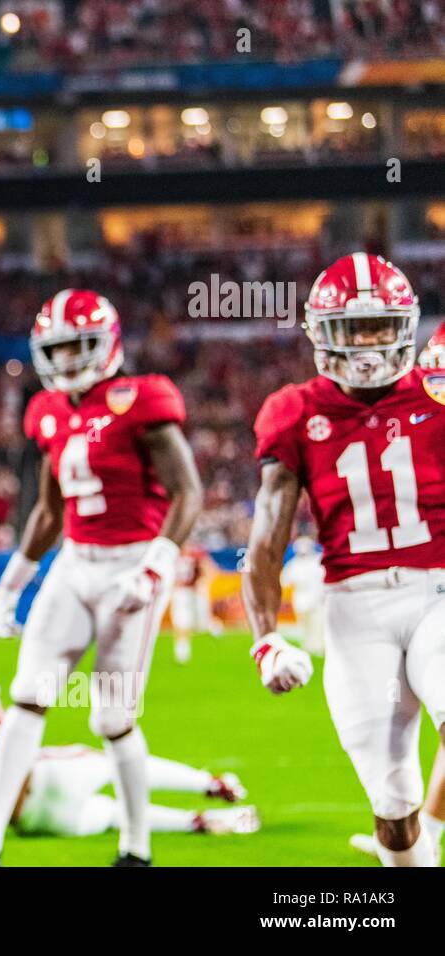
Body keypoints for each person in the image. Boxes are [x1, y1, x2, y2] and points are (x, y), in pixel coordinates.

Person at [0, 289, 203, 867]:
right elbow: (50, 512)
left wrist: (158, 565)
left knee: (112, 717)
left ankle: (136, 848)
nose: (70, 358)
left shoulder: (142, 399)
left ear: (108, 343)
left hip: (132, 563)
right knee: (28, 697)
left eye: (81, 344)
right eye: (59, 348)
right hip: (75, 563)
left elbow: (189, 493)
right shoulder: (49, 411)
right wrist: (13, 583)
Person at [243, 253, 445, 867]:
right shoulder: (296, 411)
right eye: (352, 329)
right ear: (321, 333)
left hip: (438, 591)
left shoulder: (437, 389)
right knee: (393, 802)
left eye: (379, 327)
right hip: (354, 608)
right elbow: (267, 539)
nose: (365, 345)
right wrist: (266, 639)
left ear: (405, 326)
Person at [0, 646, 258, 841]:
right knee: (110, 762)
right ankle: (210, 783)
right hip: (44, 770)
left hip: (27, 818)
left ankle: (199, 822)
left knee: (114, 816)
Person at [280, 536, 326, 656]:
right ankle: (308, 645)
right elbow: (285, 580)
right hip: (301, 599)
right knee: (305, 624)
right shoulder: (294, 564)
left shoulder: (318, 561)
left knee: (317, 624)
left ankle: (318, 646)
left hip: (316, 598)